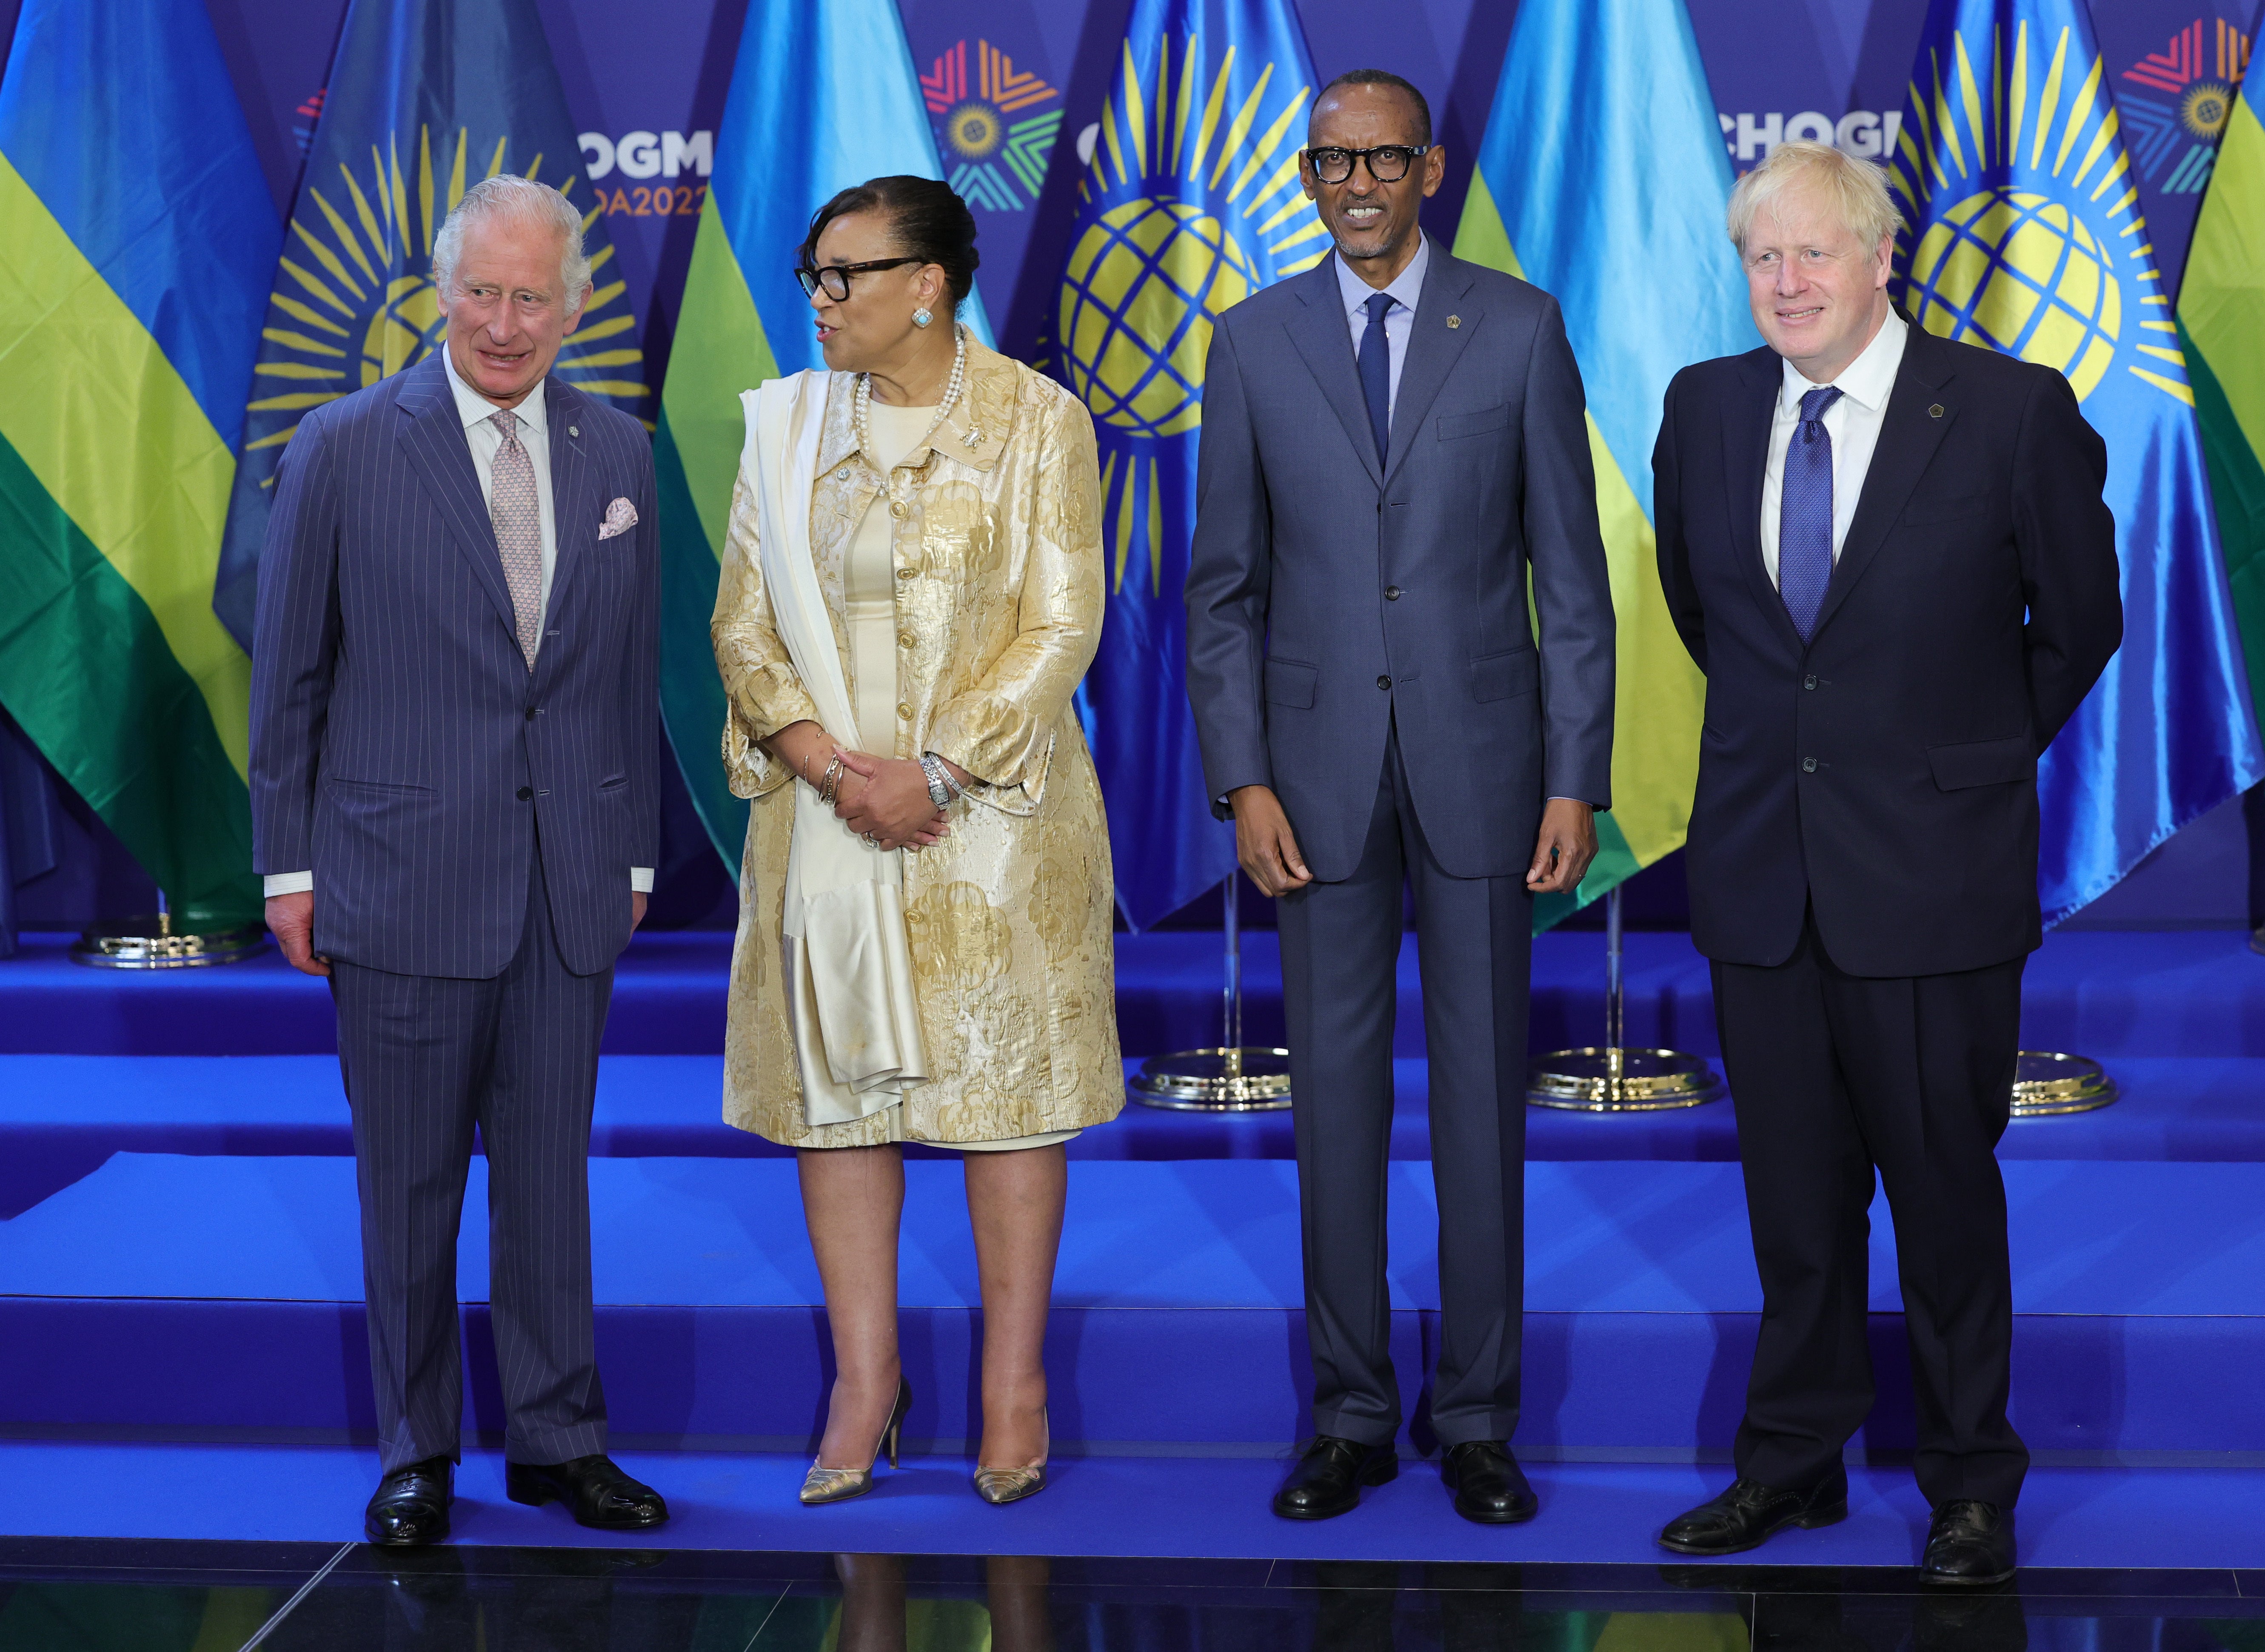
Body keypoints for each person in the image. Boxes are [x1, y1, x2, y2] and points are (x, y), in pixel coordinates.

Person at [1649, 142, 2122, 1585]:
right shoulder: (1706, 407)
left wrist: (1966, 759)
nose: (1783, 284)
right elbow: (1706, 613)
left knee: (1939, 1195)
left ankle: (1970, 1481)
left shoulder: (2006, 410)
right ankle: (1789, 1465)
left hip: (1931, 878)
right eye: (1760, 260)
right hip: (1759, 878)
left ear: (1877, 259)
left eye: (1810, 256)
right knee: (1792, 1205)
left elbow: (2079, 622)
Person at [1185, 70, 1616, 1526]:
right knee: (1337, 1115)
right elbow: (1224, 593)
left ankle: (1479, 1416)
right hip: (1311, 791)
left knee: (1485, 1111)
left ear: (1427, 168)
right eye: (1329, 162)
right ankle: (1352, 1412)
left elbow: (1574, 578)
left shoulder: (1516, 324)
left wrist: (1576, 772)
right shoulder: (1248, 344)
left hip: (1488, 778)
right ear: (1304, 176)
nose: (1355, 181)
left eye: (1381, 158)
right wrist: (1241, 776)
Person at [249, 174, 669, 1545]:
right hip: (394, 874)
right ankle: (416, 1451)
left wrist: (637, 851)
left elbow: (621, 675)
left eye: (531, 295)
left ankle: (558, 1440)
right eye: (481, 291)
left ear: (575, 303)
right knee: (410, 1183)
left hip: (570, 878)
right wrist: (287, 867)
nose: (504, 321)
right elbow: (290, 676)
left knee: (551, 1180)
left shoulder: (617, 453)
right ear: (442, 293)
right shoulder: (345, 443)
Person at [711, 176, 1122, 1508]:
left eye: (848, 275)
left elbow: (1060, 623)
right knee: (843, 1098)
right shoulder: (783, 425)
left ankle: (1015, 1383)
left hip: (988, 820)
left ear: (930, 283)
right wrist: (835, 769)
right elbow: (739, 624)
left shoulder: (1037, 420)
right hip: (826, 815)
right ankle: (864, 1380)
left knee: (1005, 1098)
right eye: (812, 275)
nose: (822, 300)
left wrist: (936, 769)